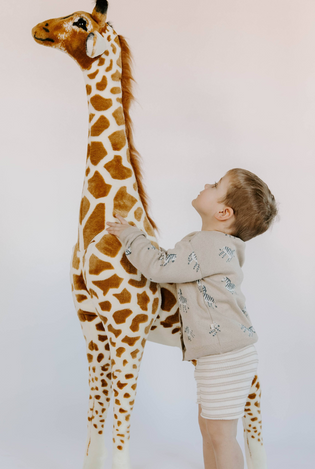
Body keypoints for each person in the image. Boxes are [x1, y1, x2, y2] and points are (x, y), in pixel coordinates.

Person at [106, 168, 278, 469]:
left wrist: (130, 235)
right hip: (228, 353)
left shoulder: (207, 244)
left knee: (221, 436)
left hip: (224, 355)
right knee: (210, 430)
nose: (205, 184)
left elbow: (160, 267)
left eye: (215, 185)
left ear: (224, 212)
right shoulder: (216, 246)